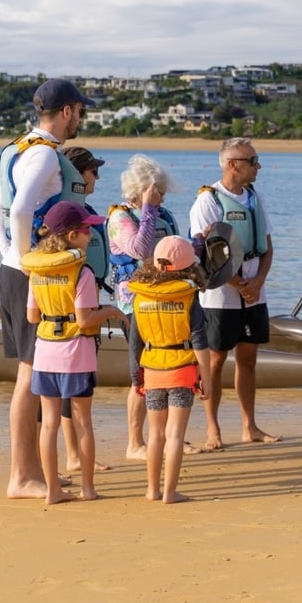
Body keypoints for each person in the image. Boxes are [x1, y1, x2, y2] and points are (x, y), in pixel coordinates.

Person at [0, 77, 94, 499]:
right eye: (80, 111)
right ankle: (22, 476)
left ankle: (32, 469)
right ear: (67, 111)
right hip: (29, 276)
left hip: (14, 270)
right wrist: (30, 262)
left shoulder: (19, 149)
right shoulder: (46, 156)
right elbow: (17, 208)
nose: (81, 119)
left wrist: (11, 254)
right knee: (30, 375)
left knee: (30, 374)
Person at [21, 201, 128, 504]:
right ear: (70, 236)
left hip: (45, 351)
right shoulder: (82, 272)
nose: (92, 234)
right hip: (76, 352)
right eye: (86, 229)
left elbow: (31, 316)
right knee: (82, 421)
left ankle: (53, 491)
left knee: (50, 422)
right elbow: (83, 320)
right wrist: (110, 311)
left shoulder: (38, 270)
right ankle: (88, 488)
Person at [189, 136, 279, 451]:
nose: (258, 166)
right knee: (215, 360)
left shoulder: (255, 197)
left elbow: (267, 246)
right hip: (220, 293)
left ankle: (249, 426)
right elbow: (206, 254)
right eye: (252, 161)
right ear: (232, 164)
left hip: (255, 287)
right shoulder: (208, 201)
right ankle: (213, 429)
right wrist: (238, 284)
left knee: (249, 357)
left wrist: (258, 281)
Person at [107, 154, 182, 460]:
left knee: (170, 369)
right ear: (140, 191)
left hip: (166, 301)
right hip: (134, 304)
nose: (161, 198)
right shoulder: (120, 218)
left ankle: (167, 438)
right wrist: (148, 209)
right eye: (156, 192)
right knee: (142, 370)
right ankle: (135, 443)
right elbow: (140, 248)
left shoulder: (165, 215)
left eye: (162, 193)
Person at [128, 236, 210, 503]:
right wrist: (205, 377)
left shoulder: (139, 296)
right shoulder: (188, 296)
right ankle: (170, 492)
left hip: (152, 370)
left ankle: (152, 490)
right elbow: (200, 340)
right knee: (175, 435)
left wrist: (135, 377)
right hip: (182, 370)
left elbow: (134, 344)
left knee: (155, 435)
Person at [59, 146, 111, 476]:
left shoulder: (86, 210)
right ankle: (73, 455)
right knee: (71, 387)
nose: (98, 177)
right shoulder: (66, 215)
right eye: (93, 171)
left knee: (77, 385)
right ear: (77, 174)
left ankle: (76, 454)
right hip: (72, 313)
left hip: (89, 302)